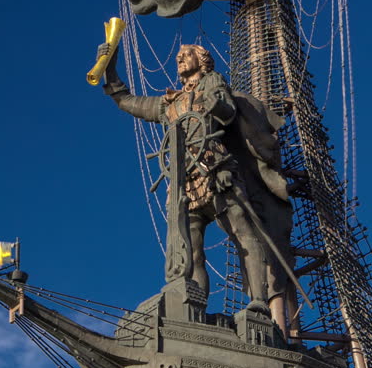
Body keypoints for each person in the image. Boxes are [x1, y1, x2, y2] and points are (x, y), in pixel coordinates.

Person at [99, 43, 295, 322]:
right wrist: (110, 70)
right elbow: (127, 101)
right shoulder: (169, 104)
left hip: (216, 170)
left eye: (186, 54)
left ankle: (259, 302)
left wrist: (216, 103)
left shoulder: (213, 83)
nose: (179, 58)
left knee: (243, 233)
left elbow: (227, 111)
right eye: (178, 56)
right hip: (184, 181)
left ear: (201, 60)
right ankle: (194, 310)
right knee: (190, 251)